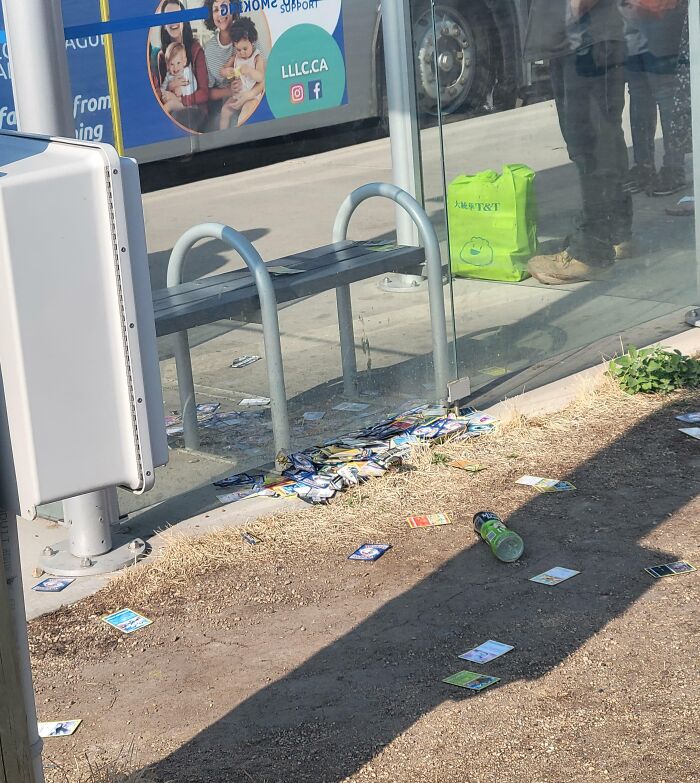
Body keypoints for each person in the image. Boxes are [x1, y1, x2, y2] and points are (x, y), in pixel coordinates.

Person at [525, 0, 633, 285]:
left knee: (591, 142)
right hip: (579, 36)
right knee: (598, 138)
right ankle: (612, 233)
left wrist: (577, 6)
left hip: (586, 35)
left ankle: (592, 250)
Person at [623, 0, 688, 195]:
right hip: (630, 12)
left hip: (661, 10)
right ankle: (644, 165)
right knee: (639, 89)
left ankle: (673, 167)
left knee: (663, 91)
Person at [153, 0, 209, 131]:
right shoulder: (162, 56)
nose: (173, 22)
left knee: (176, 117)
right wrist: (171, 87)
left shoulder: (196, 50)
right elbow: (161, 91)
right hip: (172, 105)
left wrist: (181, 101)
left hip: (196, 110)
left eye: (177, 17)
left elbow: (204, 93)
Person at [219, 17, 266, 129]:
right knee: (225, 110)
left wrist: (249, 71)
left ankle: (239, 134)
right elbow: (222, 71)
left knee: (245, 112)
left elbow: (261, 77)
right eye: (238, 49)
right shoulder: (235, 57)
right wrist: (227, 72)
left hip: (252, 96)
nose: (242, 53)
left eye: (245, 48)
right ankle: (222, 136)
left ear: (252, 42)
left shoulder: (257, 58)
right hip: (237, 95)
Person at [203, 0, 240, 128]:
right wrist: (230, 91)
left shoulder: (247, 35)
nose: (220, 14)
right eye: (215, 10)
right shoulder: (209, 50)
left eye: (224, 7)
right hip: (224, 101)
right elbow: (208, 91)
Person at [160, 42, 197, 114]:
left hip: (186, 105)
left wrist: (182, 90)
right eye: (172, 64)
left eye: (178, 63)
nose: (175, 67)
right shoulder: (168, 75)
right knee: (166, 100)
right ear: (167, 64)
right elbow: (162, 88)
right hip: (175, 102)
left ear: (184, 61)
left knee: (168, 106)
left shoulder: (186, 72)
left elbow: (194, 86)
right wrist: (165, 93)